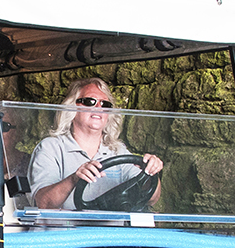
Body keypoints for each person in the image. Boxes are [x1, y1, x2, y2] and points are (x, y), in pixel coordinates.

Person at [28, 78, 163, 210]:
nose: (99, 107)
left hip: (110, 231)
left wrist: (151, 171)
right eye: (90, 102)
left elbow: (152, 198)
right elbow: (42, 203)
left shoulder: (117, 151)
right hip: (65, 230)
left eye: (105, 105)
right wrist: (74, 179)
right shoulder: (50, 148)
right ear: (71, 107)